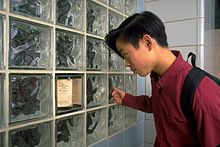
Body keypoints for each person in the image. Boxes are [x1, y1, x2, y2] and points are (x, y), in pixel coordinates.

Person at [104, 11, 220, 147]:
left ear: (147, 43)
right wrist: (126, 99)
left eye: (126, 55)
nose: (126, 63)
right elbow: (159, 105)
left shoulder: (202, 93)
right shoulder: (159, 77)